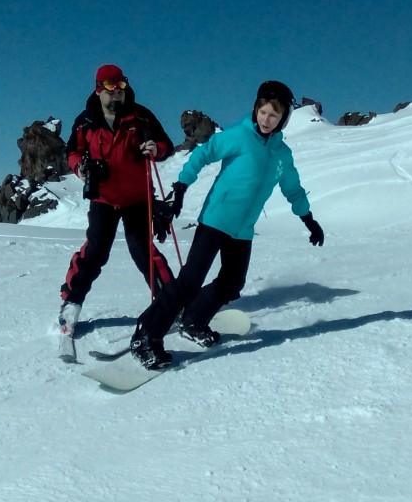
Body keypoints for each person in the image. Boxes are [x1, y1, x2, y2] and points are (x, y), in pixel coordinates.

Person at [130, 80, 325, 369]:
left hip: (243, 228)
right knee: (189, 282)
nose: (266, 119)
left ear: (283, 118)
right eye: (262, 112)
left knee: (232, 283)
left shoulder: (281, 154)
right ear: (255, 109)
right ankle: (146, 334)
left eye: (273, 115)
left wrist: (308, 218)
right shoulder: (238, 136)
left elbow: (292, 188)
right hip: (216, 219)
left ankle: (193, 319)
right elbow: (202, 154)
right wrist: (181, 187)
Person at [58, 64, 176, 336]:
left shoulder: (141, 117)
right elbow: (73, 152)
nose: (117, 94)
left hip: (138, 197)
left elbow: (166, 145)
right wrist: (80, 167)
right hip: (103, 198)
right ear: (99, 89)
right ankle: (71, 302)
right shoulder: (86, 120)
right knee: (95, 251)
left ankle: (171, 302)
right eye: (111, 88)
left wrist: (156, 148)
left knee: (143, 251)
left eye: (121, 86)